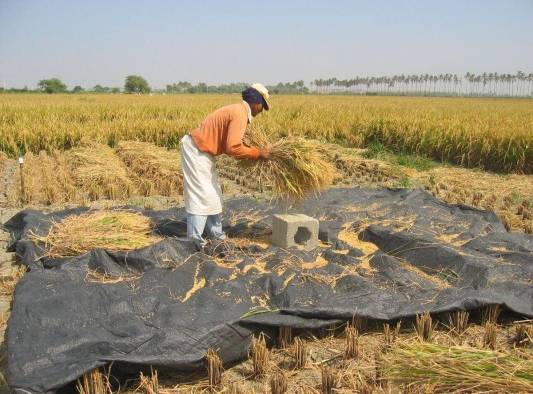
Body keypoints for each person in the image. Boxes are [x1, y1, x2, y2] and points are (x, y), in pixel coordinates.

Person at [180, 83, 271, 250]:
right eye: (262, 106)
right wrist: (258, 153)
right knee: (201, 194)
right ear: (256, 102)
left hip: (203, 152)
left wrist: (252, 151)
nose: (261, 111)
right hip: (196, 150)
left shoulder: (238, 110)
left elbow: (233, 144)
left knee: (213, 193)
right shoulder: (240, 114)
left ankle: (216, 236)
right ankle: (194, 242)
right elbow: (233, 147)